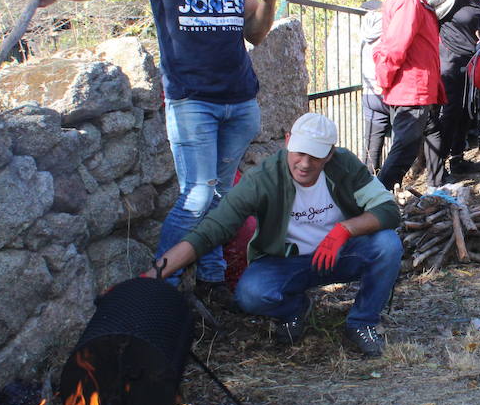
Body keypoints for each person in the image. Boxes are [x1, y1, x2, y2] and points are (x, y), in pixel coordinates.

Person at [22, 0, 283, 312]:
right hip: (193, 100)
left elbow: (255, 33)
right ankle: (158, 286)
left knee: (219, 197)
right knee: (198, 194)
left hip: (241, 101)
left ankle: (213, 281)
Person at [150, 113, 403, 357]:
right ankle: (294, 309)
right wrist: (155, 275)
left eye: (315, 156)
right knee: (251, 293)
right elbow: (212, 229)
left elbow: (388, 210)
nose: (304, 164)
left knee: (387, 244)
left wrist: (344, 229)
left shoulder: (344, 165)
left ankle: (362, 321)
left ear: (330, 154)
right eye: (300, 152)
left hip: (339, 253)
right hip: (287, 262)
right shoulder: (263, 178)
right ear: (287, 140)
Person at [373, 0, 446, 191]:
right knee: (405, 148)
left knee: (407, 146)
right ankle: (376, 200)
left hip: (413, 86)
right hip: (410, 87)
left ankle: (379, 198)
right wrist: (384, 78)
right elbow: (396, 44)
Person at [430, 0, 480, 180]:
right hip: (448, 57)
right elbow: (425, 7)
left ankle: (457, 159)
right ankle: (438, 169)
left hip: (468, 57)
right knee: (450, 112)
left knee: (465, 111)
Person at [358, 0, 390, 174]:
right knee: (400, 142)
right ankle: (387, 188)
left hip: (369, 92)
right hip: (387, 90)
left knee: (371, 148)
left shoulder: (366, 28)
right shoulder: (389, 28)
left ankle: (367, 188)